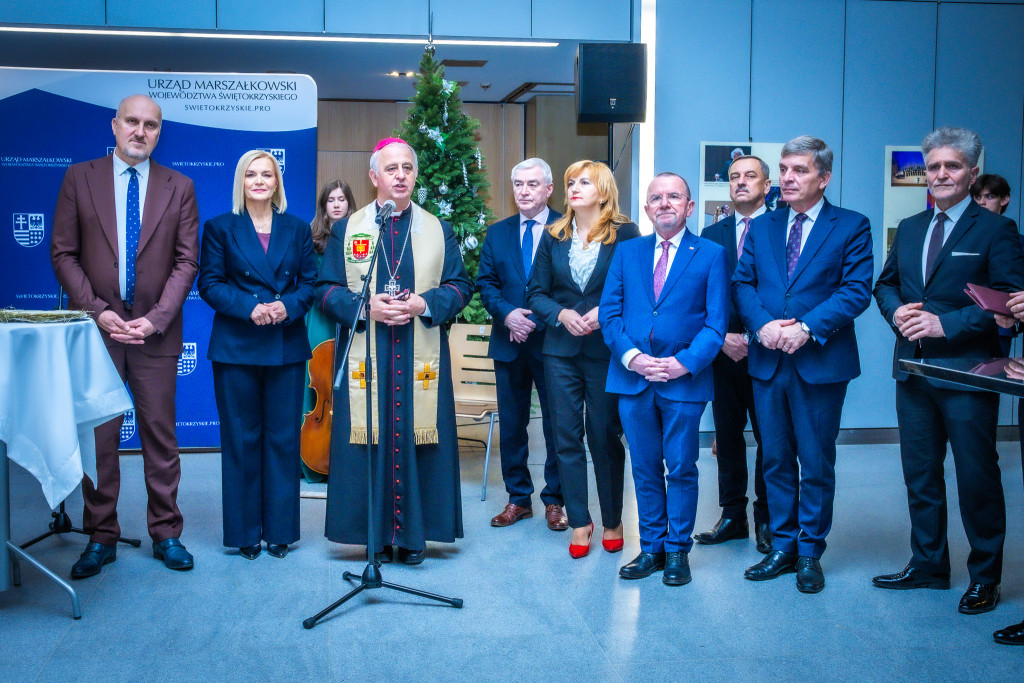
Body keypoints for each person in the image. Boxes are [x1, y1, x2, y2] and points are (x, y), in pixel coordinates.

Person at [872, 127, 1024, 615]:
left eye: (952, 166)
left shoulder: (996, 230)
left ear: (972, 173)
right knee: (920, 476)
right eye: (933, 166)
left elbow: (1008, 303)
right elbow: (885, 284)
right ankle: (929, 565)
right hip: (912, 370)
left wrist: (946, 324)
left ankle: (985, 578)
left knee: (977, 478)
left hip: (968, 373)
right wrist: (896, 311)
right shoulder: (911, 227)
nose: (940, 174)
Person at [51, 94, 199, 578]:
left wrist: (155, 319)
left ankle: (167, 532)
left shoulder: (180, 186)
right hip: (98, 334)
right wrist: (97, 312)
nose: (140, 131)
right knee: (100, 441)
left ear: (159, 132)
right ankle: (101, 535)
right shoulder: (80, 178)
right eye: (132, 122)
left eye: (150, 125)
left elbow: (187, 262)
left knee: (161, 437)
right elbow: (63, 253)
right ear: (114, 126)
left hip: (155, 334)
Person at [314, 138, 471, 565]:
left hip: (420, 352)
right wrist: (366, 307)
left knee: (418, 440)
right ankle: (376, 536)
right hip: (371, 350)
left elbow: (460, 286)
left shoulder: (438, 228)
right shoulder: (349, 228)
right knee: (372, 439)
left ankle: (415, 535)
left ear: (414, 175)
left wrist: (424, 303)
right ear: (374, 177)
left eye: (407, 168)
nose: (400, 175)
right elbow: (324, 290)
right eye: (391, 168)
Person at [733, 135, 873, 593]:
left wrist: (807, 328)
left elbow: (856, 290)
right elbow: (742, 284)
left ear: (824, 177)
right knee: (775, 459)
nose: (788, 178)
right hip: (768, 358)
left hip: (820, 362)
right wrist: (763, 325)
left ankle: (810, 551)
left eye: (800, 170)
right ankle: (784, 546)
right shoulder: (763, 226)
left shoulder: (851, 225)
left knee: (815, 460)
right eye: (784, 169)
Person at [601, 173, 728, 585]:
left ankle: (677, 551)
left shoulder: (710, 254)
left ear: (689, 207)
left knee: (681, 466)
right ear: (646, 209)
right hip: (633, 378)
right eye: (656, 198)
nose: (664, 203)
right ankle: (652, 547)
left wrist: (682, 364)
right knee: (644, 467)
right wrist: (634, 358)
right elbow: (609, 315)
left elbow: (716, 325)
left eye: (674, 196)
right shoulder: (627, 252)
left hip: (683, 381)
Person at [198, 149, 317, 560]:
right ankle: (245, 533)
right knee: (241, 440)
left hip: (285, 343)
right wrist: (250, 306)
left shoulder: (297, 228)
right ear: (241, 182)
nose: (260, 181)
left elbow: (311, 284)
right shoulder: (219, 227)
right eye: (251, 175)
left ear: (277, 182)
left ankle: (281, 531)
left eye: (267, 174)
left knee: (283, 440)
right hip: (237, 346)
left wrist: (288, 306)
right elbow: (209, 284)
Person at [526, 160, 640, 559]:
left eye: (584, 182)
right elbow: (535, 293)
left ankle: (612, 519)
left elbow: (636, 289)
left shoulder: (626, 233)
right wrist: (560, 314)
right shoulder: (554, 235)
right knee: (565, 437)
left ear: (603, 190)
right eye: (571, 182)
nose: (574, 187)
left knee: (604, 436)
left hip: (605, 350)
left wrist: (604, 313)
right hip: (560, 351)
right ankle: (579, 521)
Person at [477, 158, 567, 530]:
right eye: (518, 184)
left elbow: (572, 286)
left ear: (549, 189)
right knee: (512, 425)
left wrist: (535, 320)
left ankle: (555, 500)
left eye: (532, 184)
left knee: (557, 424)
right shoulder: (497, 233)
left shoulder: (567, 228)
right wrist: (509, 316)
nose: (524, 191)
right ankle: (518, 499)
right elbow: (486, 285)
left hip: (554, 343)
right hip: (509, 341)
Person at [697, 155, 773, 554]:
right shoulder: (711, 233)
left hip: (769, 349)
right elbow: (700, 293)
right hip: (723, 351)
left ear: (767, 185)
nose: (741, 182)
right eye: (734, 177)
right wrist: (721, 337)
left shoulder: (782, 227)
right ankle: (732, 517)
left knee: (770, 438)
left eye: (750, 176)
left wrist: (756, 335)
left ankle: (767, 519)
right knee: (726, 436)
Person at [301, 179, 356, 483]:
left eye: (341, 199)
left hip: (350, 316)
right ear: (323, 207)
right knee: (316, 382)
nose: (336, 205)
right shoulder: (311, 241)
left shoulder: (360, 237)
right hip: (320, 317)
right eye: (330, 200)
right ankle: (312, 459)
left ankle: (348, 461)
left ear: (349, 204)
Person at [971, 174, 1018, 355]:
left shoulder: (1016, 241)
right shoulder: (965, 238)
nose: (982, 202)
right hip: (961, 323)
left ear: (1004, 199)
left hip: (999, 326)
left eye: (989, 196)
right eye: (977, 197)